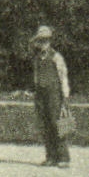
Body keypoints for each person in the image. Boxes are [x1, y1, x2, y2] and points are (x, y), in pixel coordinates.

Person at [30, 25, 71, 168]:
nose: (43, 43)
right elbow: (36, 77)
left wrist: (65, 96)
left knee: (57, 123)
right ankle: (51, 156)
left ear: (49, 41)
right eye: (40, 40)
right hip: (41, 95)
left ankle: (63, 157)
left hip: (54, 94)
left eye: (45, 40)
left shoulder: (56, 57)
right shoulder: (37, 59)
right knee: (45, 124)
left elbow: (63, 76)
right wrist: (36, 92)